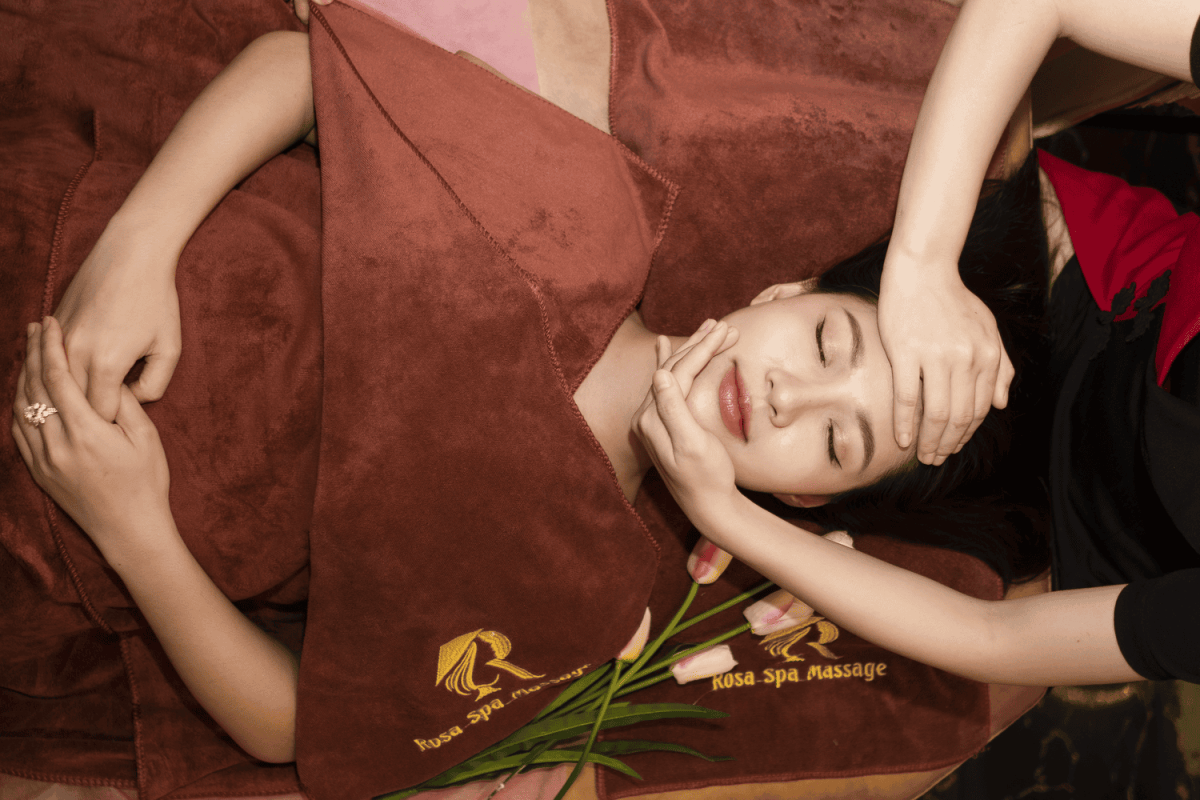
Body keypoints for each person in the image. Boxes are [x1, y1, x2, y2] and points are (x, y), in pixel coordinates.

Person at [636, 0, 1200, 686]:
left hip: (1061, 519)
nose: (785, 396)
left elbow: (994, 639)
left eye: (837, 441)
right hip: (1073, 286)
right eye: (824, 344)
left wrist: (727, 516)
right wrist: (923, 261)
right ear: (784, 292)